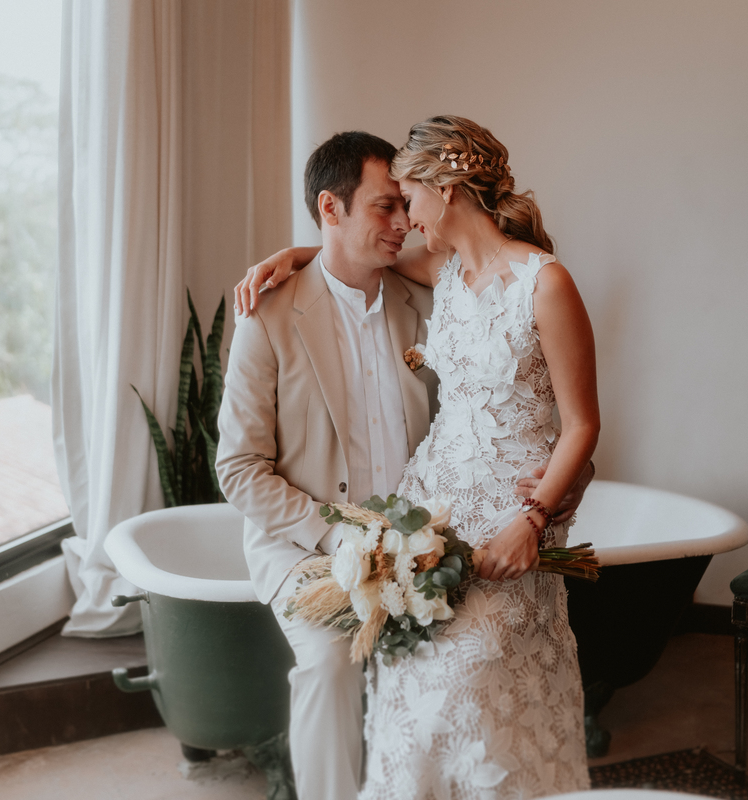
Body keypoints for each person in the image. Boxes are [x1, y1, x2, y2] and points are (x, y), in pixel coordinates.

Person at [216, 128, 592, 800]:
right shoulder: (268, 315)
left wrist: (561, 487)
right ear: (332, 210)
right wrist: (345, 538)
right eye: (383, 209)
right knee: (333, 665)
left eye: (405, 204)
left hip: (442, 534)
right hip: (312, 545)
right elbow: (240, 469)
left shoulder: (430, 292)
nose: (403, 225)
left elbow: (527, 405)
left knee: (459, 686)